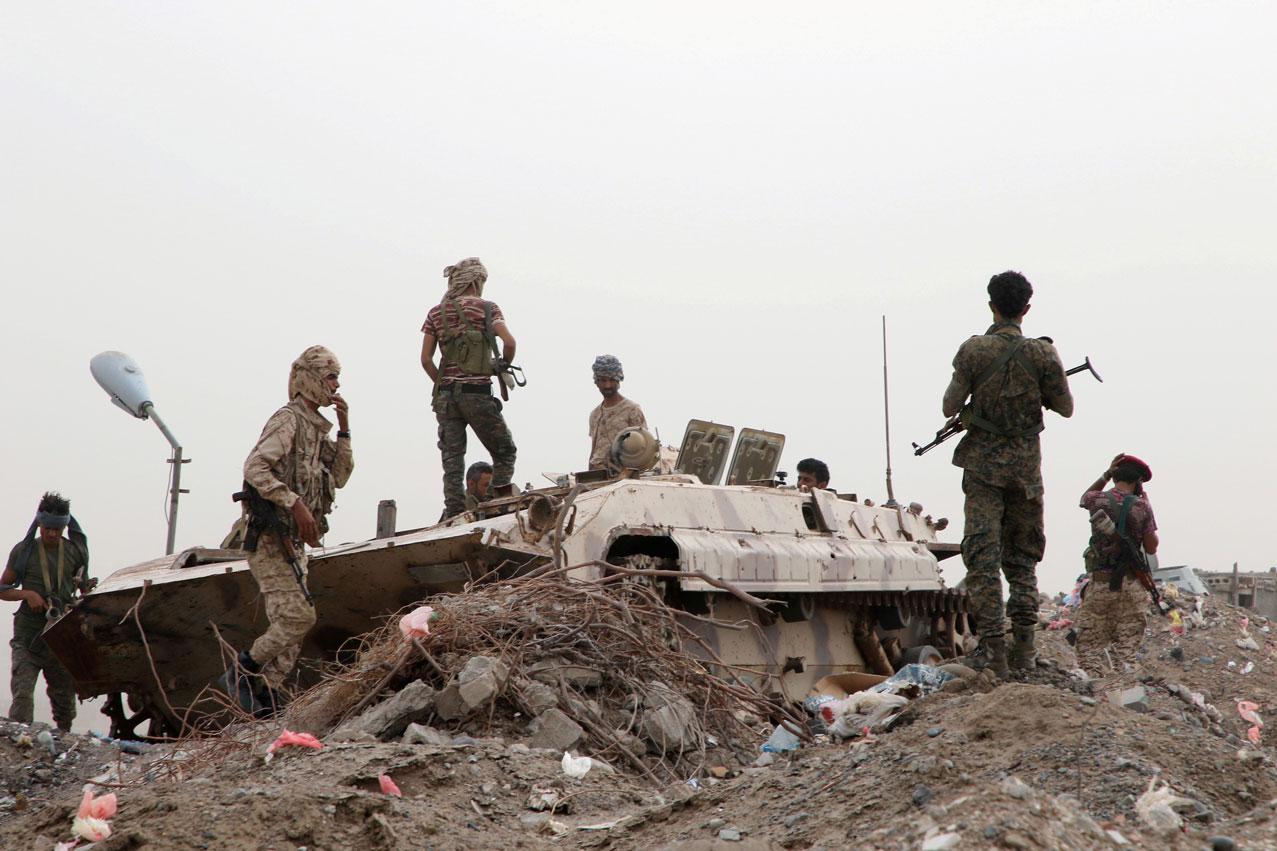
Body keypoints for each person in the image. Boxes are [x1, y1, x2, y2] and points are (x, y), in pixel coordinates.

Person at [941, 271, 1074, 675]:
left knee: (982, 557)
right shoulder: (1044, 355)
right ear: (1026, 309)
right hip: (1026, 475)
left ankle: (993, 651)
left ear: (991, 305)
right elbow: (1065, 408)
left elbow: (949, 406)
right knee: (1022, 560)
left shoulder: (974, 351)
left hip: (983, 471)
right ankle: (1026, 652)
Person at [220, 345, 354, 715]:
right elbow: (255, 467)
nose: (336, 385)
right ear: (310, 379)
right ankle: (244, 670)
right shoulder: (289, 420)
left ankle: (268, 691)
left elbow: (340, 476)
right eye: (330, 377)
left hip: (293, 542)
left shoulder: (315, 428)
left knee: (293, 622)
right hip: (269, 537)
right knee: (299, 617)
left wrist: (344, 430)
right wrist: (293, 502)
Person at [420, 257, 518, 518]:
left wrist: (443, 385)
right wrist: (501, 365)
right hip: (477, 394)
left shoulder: (436, 313)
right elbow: (509, 342)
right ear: (477, 281)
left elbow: (426, 360)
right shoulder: (488, 309)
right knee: (505, 451)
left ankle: (454, 512)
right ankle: (498, 505)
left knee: (452, 460)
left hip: (447, 399)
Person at [1, 492, 90, 730]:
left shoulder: (75, 552)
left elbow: (84, 590)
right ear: (39, 523)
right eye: (47, 528)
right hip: (28, 637)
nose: (52, 534)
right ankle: (21, 742)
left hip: (60, 636)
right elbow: (2, 589)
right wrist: (27, 594)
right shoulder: (24, 551)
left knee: (64, 703)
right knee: (22, 696)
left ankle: (63, 743)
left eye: (57, 529)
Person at [1074, 454, 1159, 676]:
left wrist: (1105, 475)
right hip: (1130, 587)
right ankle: (1124, 691)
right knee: (1127, 648)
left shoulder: (1097, 500)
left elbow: (1084, 497)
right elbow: (1151, 547)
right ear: (1138, 481)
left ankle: (1094, 691)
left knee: (1089, 647)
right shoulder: (1142, 506)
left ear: (1115, 476)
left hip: (1100, 585)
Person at [587, 355, 647, 471]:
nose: (607, 385)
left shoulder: (631, 410)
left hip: (621, 476)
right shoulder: (594, 415)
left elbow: (643, 449)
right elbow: (594, 451)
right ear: (597, 382)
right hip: (598, 477)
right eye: (603, 380)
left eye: (611, 380)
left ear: (618, 380)